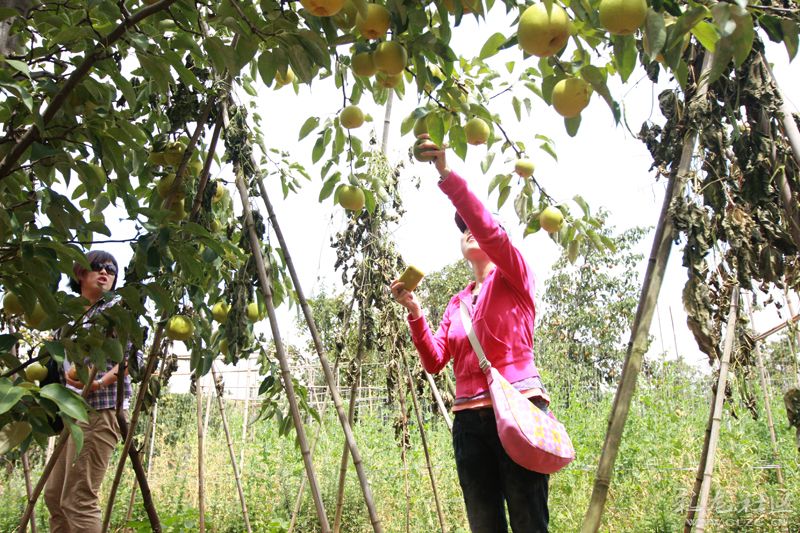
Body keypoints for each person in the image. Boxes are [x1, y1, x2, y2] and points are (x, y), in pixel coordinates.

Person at [390, 139, 550, 532]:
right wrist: (415, 313)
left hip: (517, 409)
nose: (469, 232)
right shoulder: (456, 303)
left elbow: (490, 231)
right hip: (469, 422)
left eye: (473, 226)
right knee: (484, 524)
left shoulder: (515, 277)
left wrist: (447, 177)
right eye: (463, 231)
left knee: (529, 519)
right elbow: (434, 360)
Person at [45, 250, 137, 533]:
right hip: (72, 412)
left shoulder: (115, 311)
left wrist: (97, 383)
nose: (106, 272)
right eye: (98, 266)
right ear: (80, 273)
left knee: (79, 499)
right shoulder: (70, 317)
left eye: (111, 269)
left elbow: (131, 360)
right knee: (54, 496)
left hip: (99, 411)